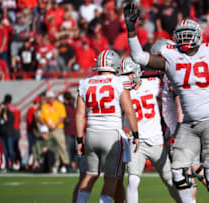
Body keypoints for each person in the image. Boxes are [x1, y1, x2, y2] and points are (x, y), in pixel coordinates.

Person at [124, 4, 209, 202]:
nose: (186, 39)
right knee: (178, 171)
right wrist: (131, 30)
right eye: (182, 35)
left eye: (189, 35)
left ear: (198, 36)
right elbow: (138, 57)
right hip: (188, 123)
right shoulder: (171, 56)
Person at [152, 39, 209, 203]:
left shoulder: (172, 75)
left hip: (183, 129)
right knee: (196, 168)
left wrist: (179, 131)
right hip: (186, 126)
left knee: (184, 174)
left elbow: (179, 103)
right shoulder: (173, 72)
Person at [75, 50, 139, 203]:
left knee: (90, 174)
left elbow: (79, 114)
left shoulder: (85, 83)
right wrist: (136, 135)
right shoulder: (118, 82)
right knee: (111, 179)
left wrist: (79, 140)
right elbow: (129, 112)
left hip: (91, 133)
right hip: (112, 135)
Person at [120, 57, 181, 203]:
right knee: (133, 181)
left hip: (156, 140)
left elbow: (169, 96)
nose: (126, 78)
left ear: (137, 72)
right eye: (123, 75)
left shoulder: (153, 84)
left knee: (170, 181)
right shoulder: (121, 91)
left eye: (128, 74)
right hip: (136, 143)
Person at [40, 90, 70, 173]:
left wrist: (54, 125)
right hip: (48, 129)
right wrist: (48, 125)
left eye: (51, 98)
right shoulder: (44, 106)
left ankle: (66, 163)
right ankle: (53, 164)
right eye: (49, 98)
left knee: (62, 146)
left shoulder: (59, 105)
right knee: (51, 147)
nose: (50, 99)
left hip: (58, 128)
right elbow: (41, 119)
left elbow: (62, 117)